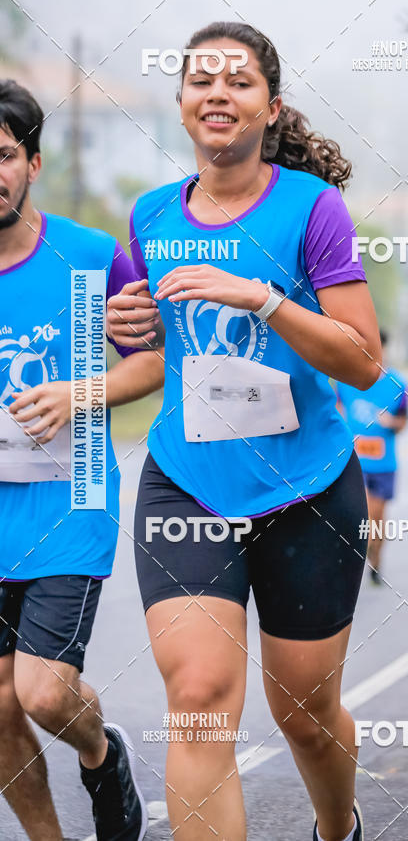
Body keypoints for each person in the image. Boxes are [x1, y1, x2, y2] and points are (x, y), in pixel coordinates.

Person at [106, 22, 380, 841]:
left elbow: (363, 361)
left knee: (304, 712)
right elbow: (157, 353)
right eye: (201, 80)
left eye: (238, 81)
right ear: (184, 103)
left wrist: (260, 297)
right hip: (188, 480)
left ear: (271, 105)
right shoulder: (149, 217)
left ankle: (339, 827)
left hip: (307, 487)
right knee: (196, 697)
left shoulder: (312, 209)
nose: (217, 93)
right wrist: (131, 327)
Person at [0, 81, 165, 840]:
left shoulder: (92, 258)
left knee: (40, 694)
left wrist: (79, 392)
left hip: (70, 500)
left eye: (2, 156)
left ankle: (101, 752)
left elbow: (153, 363)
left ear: (32, 162)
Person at [336, 329, 408, 586]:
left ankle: (376, 559)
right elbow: (336, 410)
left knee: (376, 519)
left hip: (383, 464)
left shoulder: (398, 383)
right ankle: (356, 558)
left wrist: (392, 422)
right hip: (353, 462)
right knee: (360, 516)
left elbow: (403, 422)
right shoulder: (346, 379)